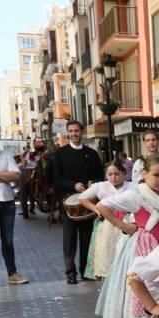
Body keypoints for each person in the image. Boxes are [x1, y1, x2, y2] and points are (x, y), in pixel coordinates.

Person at [94, 154, 159, 318]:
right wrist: (123, 226)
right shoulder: (136, 194)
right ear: (145, 174)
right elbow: (102, 205)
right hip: (144, 244)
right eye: (156, 175)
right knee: (144, 281)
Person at [52, 120, 104, 285]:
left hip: (88, 203)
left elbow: (100, 175)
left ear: (82, 132)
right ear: (67, 133)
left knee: (87, 239)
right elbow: (55, 178)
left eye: (77, 130)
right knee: (70, 239)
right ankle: (70, 272)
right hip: (68, 204)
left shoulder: (92, 154)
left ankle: (85, 271)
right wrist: (73, 185)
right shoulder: (60, 154)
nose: (74, 134)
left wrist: (93, 184)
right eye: (71, 131)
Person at [0, 121, 27, 290]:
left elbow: (16, 176)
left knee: (8, 240)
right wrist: (4, 176)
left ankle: (12, 274)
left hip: (7, 201)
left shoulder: (5, 153)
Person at [79, 160, 130, 279]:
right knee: (107, 252)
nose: (114, 177)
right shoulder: (100, 186)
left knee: (124, 253)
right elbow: (82, 198)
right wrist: (96, 209)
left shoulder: (132, 186)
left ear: (124, 173)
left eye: (117, 174)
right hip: (108, 225)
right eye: (110, 174)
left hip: (125, 223)